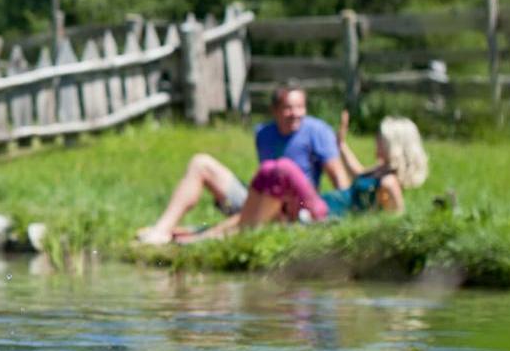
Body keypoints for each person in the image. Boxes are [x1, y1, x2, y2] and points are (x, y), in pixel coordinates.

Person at [136, 85, 348, 244]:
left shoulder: (318, 132)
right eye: (288, 108)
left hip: (296, 207)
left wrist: (344, 214)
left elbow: (339, 178)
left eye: (301, 107)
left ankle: (206, 236)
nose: (296, 114)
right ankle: (162, 229)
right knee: (200, 163)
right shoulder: (263, 133)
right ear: (274, 110)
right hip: (262, 198)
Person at [184, 113, 428, 239]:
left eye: (380, 139)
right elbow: (357, 174)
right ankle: (203, 235)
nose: (376, 141)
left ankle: (206, 236)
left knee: (283, 172)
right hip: (321, 206)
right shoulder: (379, 172)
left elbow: (396, 222)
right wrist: (341, 145)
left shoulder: (388, 183)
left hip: (323, 215)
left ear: (393, 144)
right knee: (270, 201)